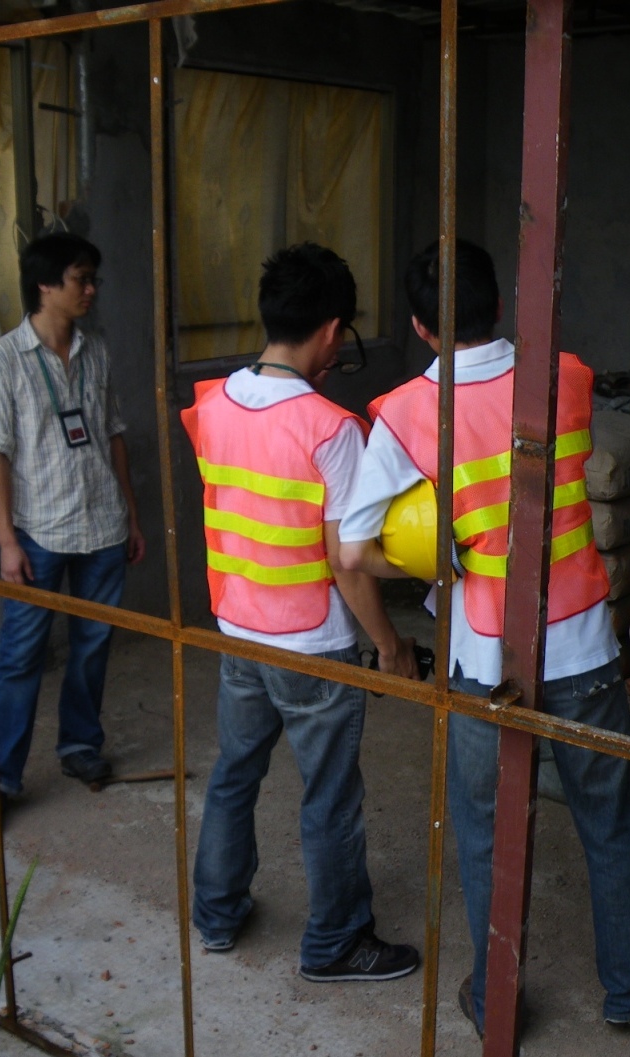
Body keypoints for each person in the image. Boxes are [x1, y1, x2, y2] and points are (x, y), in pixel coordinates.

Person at [339, 239, 630, 1035]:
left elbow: (353, 550)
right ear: (498, 305)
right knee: (611, 822)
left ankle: (497, 1002)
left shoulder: (407, 413)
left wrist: (440, 556)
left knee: (484, 832)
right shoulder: (564, 377)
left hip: (481, 657)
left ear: (420, 327)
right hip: (582, 645)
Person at [181, 243, 421, 982]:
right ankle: (336, 942)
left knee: (234, 773)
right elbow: (348, 561)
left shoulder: (212, 403)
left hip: (238, 628)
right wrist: (389, 645)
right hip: (313, 645)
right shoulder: (330, 428)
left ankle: (216, 913)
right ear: (331, 330)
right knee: (330, 798)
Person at [0, 232, 145, 837]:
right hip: (38, 531)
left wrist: (131, 515)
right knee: (19, 658)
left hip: (101, 524)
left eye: (93, 279)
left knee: (93, 646)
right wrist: (7, 541)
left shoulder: (95, 351)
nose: (91, 290)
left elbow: (113, 434)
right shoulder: (0, 360)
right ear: (45, 285)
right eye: (80, 279)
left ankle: (79, 745)